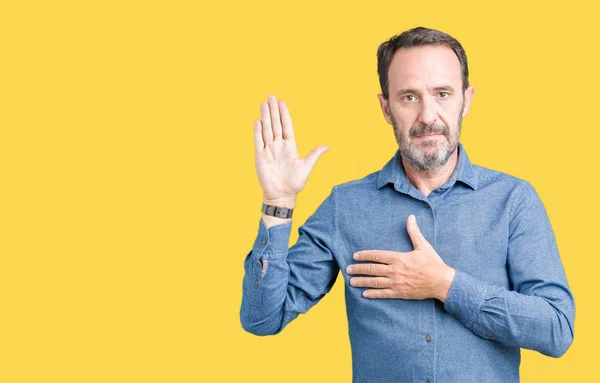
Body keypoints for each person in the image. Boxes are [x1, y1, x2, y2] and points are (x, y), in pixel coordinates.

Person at [239, 27, 575, 383]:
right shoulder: (346, 206)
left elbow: (556, 329)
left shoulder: (513, 200)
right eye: (409, 97)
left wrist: (445, 285)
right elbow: (262, 318)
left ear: (467, 99)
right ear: (386, 108)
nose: (428, 115)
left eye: (442, 93)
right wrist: (278, 203)